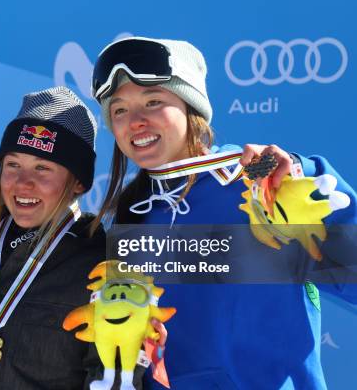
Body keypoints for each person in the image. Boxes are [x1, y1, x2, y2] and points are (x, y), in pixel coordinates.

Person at [90, 37, 357, 389]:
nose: (135, 121)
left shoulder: (264, 183)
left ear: (191, 107)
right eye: (119, 110)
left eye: (153, 101)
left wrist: (309, 194)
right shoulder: (129, 216)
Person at [0, 86, 134, 389]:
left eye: (43, 168)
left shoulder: (106, 269)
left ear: (79, 183)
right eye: (13, 165)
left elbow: (114, 381)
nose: (23, 183)